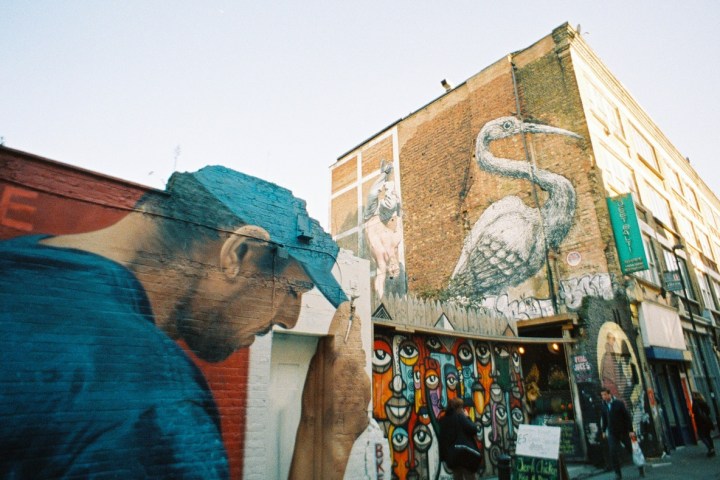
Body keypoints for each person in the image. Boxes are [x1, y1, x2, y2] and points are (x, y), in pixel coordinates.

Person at [0, 166, 348, 478]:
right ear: (239, 252)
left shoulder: (15, 262)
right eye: (292, 290)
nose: (291, 318)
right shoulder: (157, 403)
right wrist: (327, 437)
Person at [600, 388, 644, 479]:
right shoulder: (603, 406)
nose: (603, 397)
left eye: (605, 395)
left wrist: (631, 430)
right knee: (613, 452)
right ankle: (617, 474)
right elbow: (604, 419)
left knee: (632, 450)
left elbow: (627, 417)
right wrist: (603, 431)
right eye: (602, 395)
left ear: (609, 394)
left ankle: (640, 467)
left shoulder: (618, 404)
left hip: (623, 431)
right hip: (612, 433)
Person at [438, 397, 482, 480]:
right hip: (464, 455)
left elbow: (442, 440)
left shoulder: (443, 420)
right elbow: (473, 429)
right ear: (459, 408)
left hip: (452, 456)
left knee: (457, 476)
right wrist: (467, 417)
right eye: (462, 407)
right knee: (470, 476)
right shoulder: (460, 417)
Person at [692, 392, 716, 457]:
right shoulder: (703, 401)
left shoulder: (695, 402)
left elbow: (694, 411)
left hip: (700, 422)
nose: (692, 396)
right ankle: (712, 449)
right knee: (708, 435)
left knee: (701, 435)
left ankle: (710, 448)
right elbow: (708, 410)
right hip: (707, 421)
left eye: (693, 395)